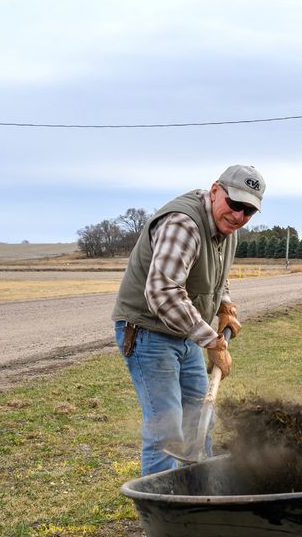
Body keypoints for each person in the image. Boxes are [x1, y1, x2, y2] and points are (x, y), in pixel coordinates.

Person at [112, 165, 265, 474]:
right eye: (235, 204)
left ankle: (200, 496)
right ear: (214, 191)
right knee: (166, 431)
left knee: (198, 422)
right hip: (147, 332)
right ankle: (164, 508)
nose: (239, 216)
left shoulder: (226, 228)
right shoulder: (183, 224)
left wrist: (225, 306)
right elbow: (163, 292)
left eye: (249, 211)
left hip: (183, 335)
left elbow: (217, 275)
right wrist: (211, 340)